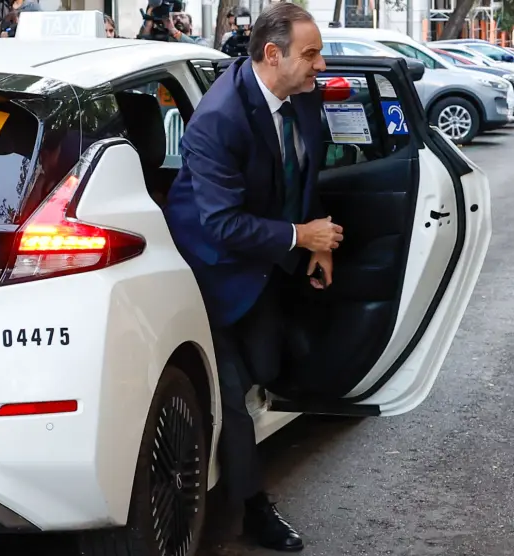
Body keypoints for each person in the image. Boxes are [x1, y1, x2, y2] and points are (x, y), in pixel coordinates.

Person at [163, 2, 340, 552]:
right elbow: (220, 224)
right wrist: (299, 236)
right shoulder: (219, 119)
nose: (319, 66)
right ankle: (255, 510)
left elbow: (310, 169)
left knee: (273, 363)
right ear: (272, 54)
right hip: (210, 269)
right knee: (233, 396)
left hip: (266, 259)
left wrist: (318, 241)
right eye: (310, 55)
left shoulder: (301, 97)